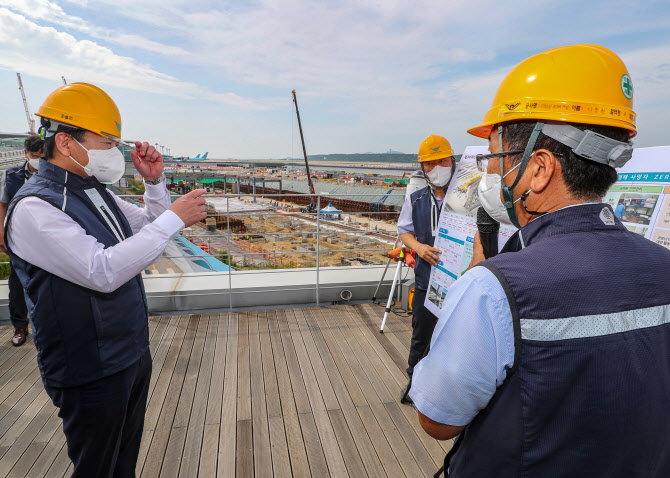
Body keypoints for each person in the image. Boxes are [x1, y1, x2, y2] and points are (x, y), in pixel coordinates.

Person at [409, 44, 670, 477]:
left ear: (540, 168)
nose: (491, 175)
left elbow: (437, 420)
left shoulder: (494, 288)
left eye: (496, 159)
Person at [4, 83, 207, 477]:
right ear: (65, 142)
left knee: (123, 461)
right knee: (97, 467)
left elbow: (149, 228)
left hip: (128, 352)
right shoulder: (35, 206)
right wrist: (175, 217)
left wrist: (154, 183)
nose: (113, 151)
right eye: (105, 141)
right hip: (88, 366)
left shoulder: (91, 189)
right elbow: (102, 271)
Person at [396, 134, 455, 403]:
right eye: (429, 164)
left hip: (460, 283)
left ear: (452, 160)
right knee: (421, 335)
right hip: (426, 281)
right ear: (422, 168)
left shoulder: (466, 197)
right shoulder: (417, 199)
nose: (436, 168)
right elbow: (404, 231)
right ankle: (414, 382)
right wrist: (418, 248)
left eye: (441, 160)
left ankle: (451, 389)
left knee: (460, 337)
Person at [0, 135, 43, 346]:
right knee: (17, 284)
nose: (38, 160)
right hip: (18, 240)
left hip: (45, 240)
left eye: (41, 156)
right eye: (34, 156)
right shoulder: (11, 175)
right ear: (26, 154)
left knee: (47, 284)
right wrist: (1, 234)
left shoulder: (51, 174)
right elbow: (2, 205)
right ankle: (19, 327)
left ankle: (46, 327)